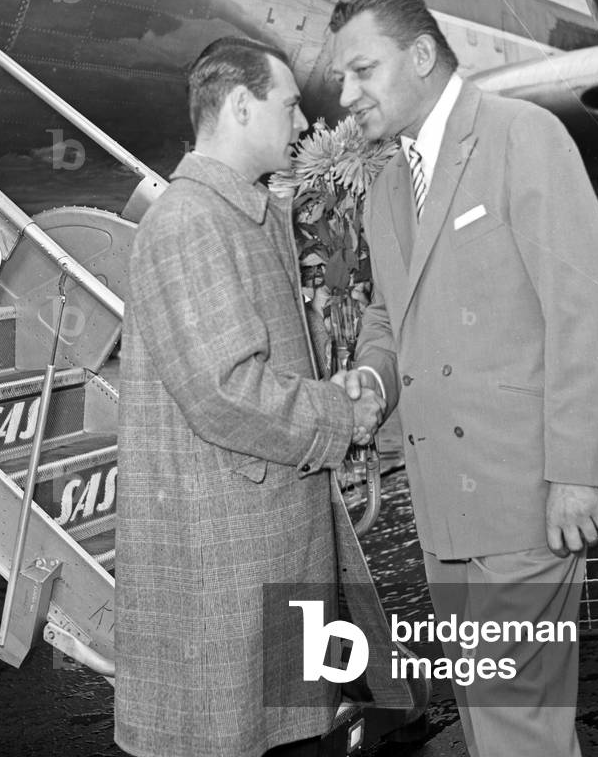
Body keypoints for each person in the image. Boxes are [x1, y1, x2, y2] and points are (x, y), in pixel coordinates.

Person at [328, 0, 598, 757]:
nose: (346, 95)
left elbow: (585, 309)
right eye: (340, 78)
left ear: (422, 55)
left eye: (362, 70)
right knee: (499, 726)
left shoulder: (523, 136)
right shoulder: (387, 183)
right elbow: (389, 317)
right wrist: (373, 380)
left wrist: (576, 471)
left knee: (517, 727)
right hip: (445, 511)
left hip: (527, 497)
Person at [114, 37, 407, 757]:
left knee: (292, 734)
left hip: (272, 543)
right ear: (241, 106)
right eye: (289, 104)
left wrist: (339, 375)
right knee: (243, 739)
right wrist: (342, 411)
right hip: (229, 556)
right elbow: (225, 392)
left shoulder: (248, 214)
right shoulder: (189, 222)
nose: (303, 122)